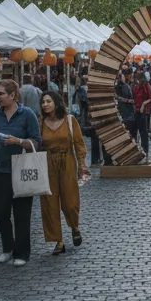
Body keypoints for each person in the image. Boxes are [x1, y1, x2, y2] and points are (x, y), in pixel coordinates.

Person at [0, 79, 41, 265]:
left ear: (12, 95)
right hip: (1, 170)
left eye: (1, 93)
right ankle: (8, 246)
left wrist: (18, 141)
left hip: (22, 169)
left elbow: (36, 142)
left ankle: (21, 253)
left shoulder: (27, 115)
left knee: (22, 214)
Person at [38, 92, 90, 255]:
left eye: (49, 101)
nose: (45, 104)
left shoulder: (70, 120)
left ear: (57, 103)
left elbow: (79, 143)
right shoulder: (40, 122)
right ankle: (58, 241)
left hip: (67, 161)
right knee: (49, 203)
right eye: (43, 102)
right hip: (48, 164)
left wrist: (82, 165)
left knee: (70, 201)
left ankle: (74, 227)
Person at [132, 70, 151, 155]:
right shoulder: (136, 86)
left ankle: (145, 150)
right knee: (135, 131)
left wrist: (144, 104)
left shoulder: (147, 85)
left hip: (143, 112)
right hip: (136, 110)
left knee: (143, 132)